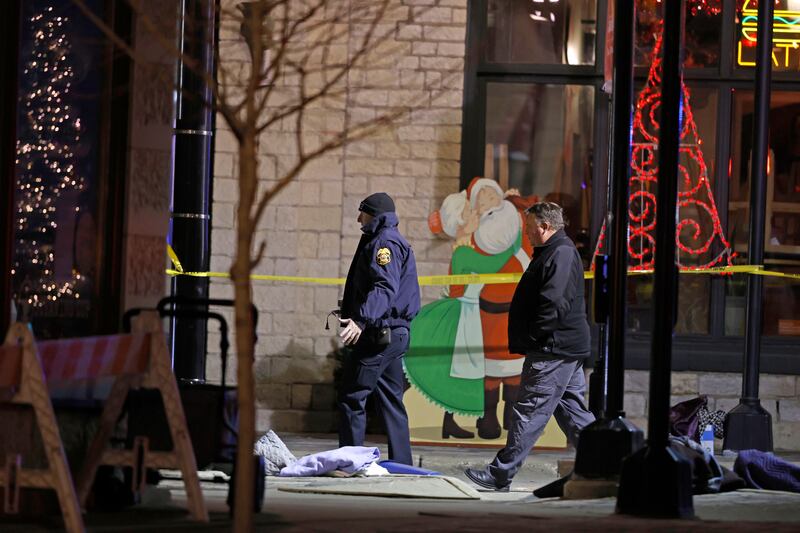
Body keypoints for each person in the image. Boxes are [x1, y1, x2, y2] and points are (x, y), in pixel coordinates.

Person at [464, 201, 595, 491]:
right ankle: (607, 466)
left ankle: (500, 474)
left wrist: (535, 338)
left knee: (528, 411)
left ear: (545, 227)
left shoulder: (560, 253)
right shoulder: (555, 251)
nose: (526, 232)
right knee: (574, 414)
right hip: (561, 347)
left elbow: (554, 304)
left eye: (529, 227)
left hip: (552, 349)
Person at [337, 192, 421, 465]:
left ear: (373, 214)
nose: (358, 218)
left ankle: (349, 461)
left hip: (380, 334)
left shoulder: (384, 243)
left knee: (352, 396)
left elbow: (384, 287)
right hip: (393, 333)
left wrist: (361, 320)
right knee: (391, 399)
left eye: (361, 212)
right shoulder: (386, 239)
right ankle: (402, 463)